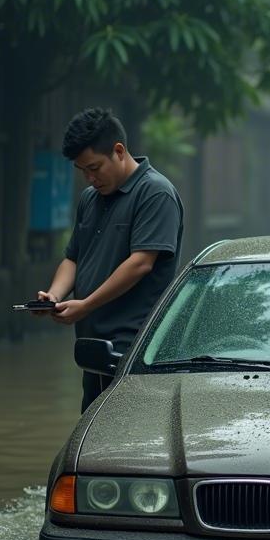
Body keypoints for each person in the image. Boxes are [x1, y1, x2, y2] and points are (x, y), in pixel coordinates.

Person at [36, 107, 183, 412]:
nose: (90, 178)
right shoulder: (90, 199)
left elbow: (141, 262)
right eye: (82, 171)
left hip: (132, 348)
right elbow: (73, 258)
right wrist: (55, 294)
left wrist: (85, 305)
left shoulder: (155, 194)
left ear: (118, 151)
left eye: (95, 167)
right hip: (94, 345)